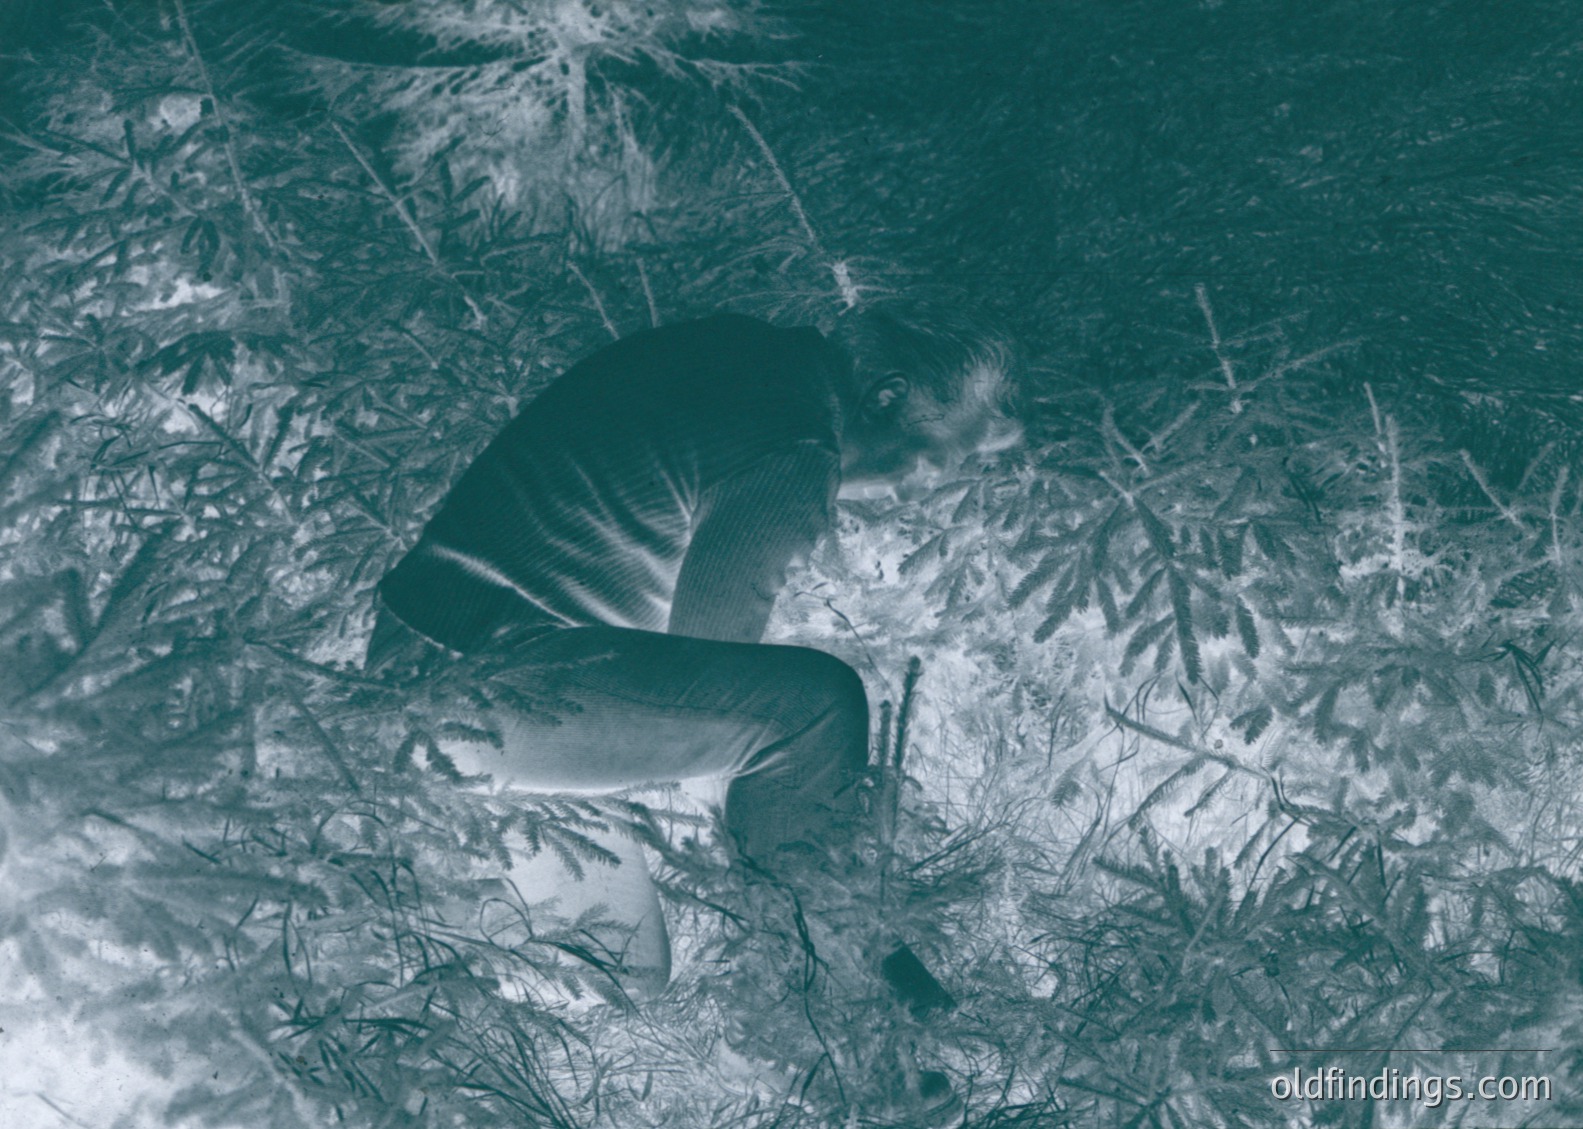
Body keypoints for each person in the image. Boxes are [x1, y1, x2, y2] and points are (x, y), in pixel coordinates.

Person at [365, 305, 1020, 1011]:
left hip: (430, 670)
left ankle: (387, 986)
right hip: (480, 677)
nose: (918, 490)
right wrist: (839, 895)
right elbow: (722, 690)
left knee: (617, 964)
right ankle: (846, 991)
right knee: (813, 705)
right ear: (886, 396)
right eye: (934, 459)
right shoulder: (795, 441)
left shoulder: (744, 351)